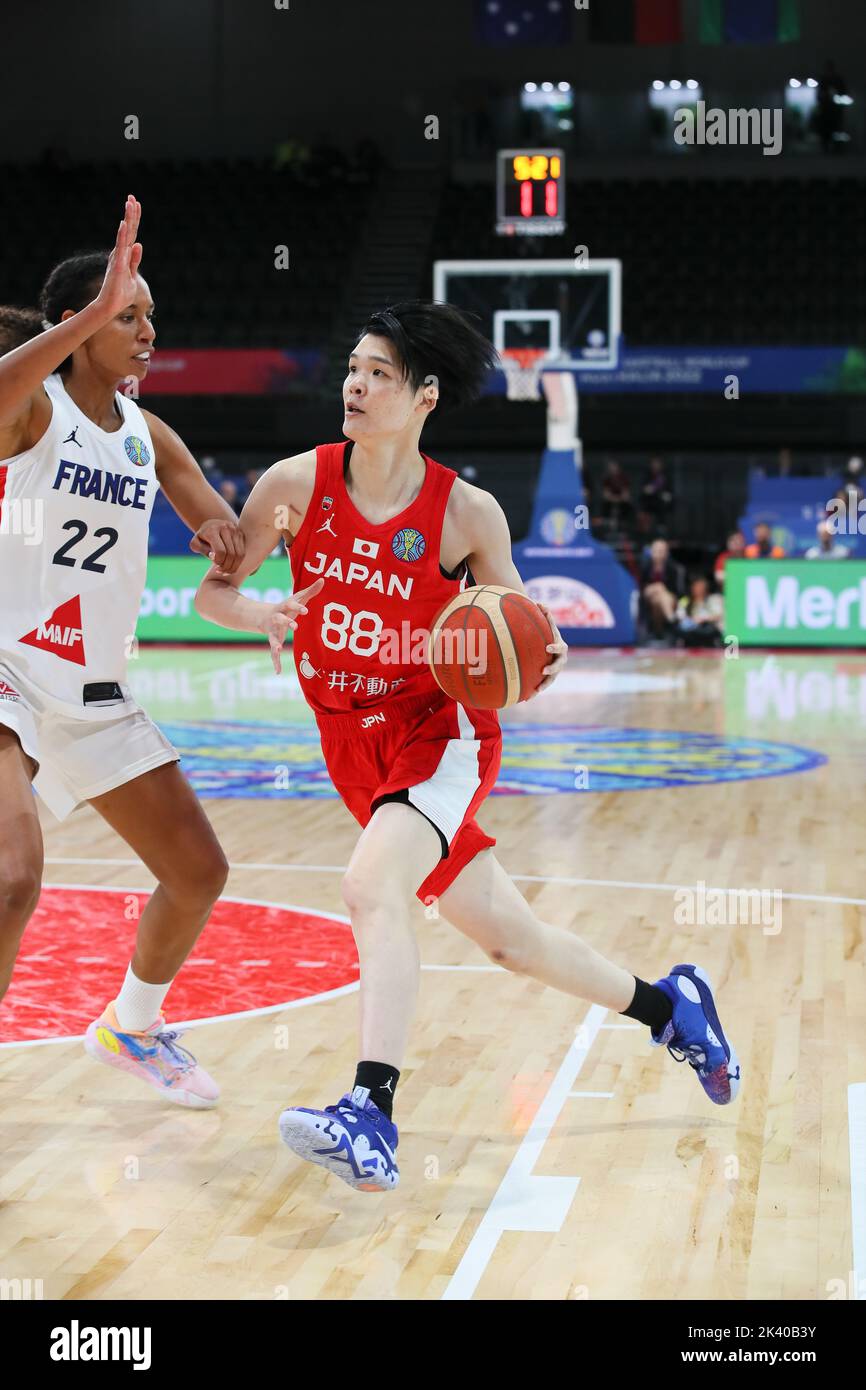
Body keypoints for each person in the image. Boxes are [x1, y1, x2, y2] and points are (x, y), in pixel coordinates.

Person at [195, 300, 740, 1193]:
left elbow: (520, 624)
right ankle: (670, 1007)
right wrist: (259, 611)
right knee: (509, 940)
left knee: (371, 887)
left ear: (424, 397)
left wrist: (544, 652)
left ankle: (372, 1112)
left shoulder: (467, 512)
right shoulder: (294, 486)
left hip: (438, 738)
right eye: (354, 369)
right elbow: (213, 595)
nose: (357, 385)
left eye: (379, 374)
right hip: (348, 744)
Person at [0, 196, 275, 1108]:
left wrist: (228, 541)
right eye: (131, 315)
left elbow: (216, 518)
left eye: (151, 315)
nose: (150, 331)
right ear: (78, 329)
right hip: (8, 672)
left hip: (96, 690)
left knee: (199, 872)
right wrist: (85, 313)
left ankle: (131, 1024)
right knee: (11, 880)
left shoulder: (147, 436)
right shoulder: (32, 410)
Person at [639, 537, 684, 641]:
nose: (659, 553)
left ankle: (658, 630)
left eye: (661, 550)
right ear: (651, 551)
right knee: (658, 590)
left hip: (669, 598)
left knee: (658, 600)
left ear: (666, 552)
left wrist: (662, 589)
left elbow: (676, 591)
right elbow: (641, 589)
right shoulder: (645, 566)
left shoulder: (673, 568)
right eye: (656, 550)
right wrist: (657, 587)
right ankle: (672, 621)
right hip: (649, 595)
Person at [675, 576, 724, 648]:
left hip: (706, 628)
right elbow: (680, 615)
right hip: (691, 629)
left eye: (701, 587)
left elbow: (717, 615)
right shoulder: (685, 600)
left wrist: (703, 619)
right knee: (682, 628)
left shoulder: (713, 599)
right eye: (696, 586)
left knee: (710, 629)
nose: (698, 589)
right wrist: (691, 620)